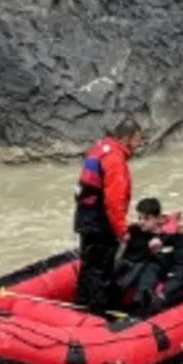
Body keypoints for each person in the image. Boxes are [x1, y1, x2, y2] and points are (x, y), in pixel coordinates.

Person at [72, 117, 144, 312]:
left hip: (85, 217)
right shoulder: (115, 160)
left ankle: (82, 303)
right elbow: (114, 202)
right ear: (126, 138)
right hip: (100, 222)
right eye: (137, 139)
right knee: (101, 269)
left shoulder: (101, 148)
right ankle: (98, 313)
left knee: (89, 266)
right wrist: (122, 231)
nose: (140, 144)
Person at [115, 197, 168, 314]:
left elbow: (165, 266)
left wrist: (157, 251)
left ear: (157, 219)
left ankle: (139, 306)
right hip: (126, 265)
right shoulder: (133, 230)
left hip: (143, 271)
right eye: (140, 218)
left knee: (150, 268)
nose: (141, 221)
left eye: (146, 218)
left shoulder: (163, 240)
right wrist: (122, 241)